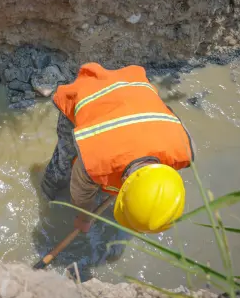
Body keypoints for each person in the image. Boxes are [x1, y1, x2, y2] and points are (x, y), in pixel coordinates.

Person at [41, 62, 195, 234]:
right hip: (86, 94)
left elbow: (167, 112)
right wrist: (84, 217)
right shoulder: (95, 162)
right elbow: (81, 193)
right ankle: (48, 190)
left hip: (132, 87)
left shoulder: (184, 149)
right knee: (63, 163)